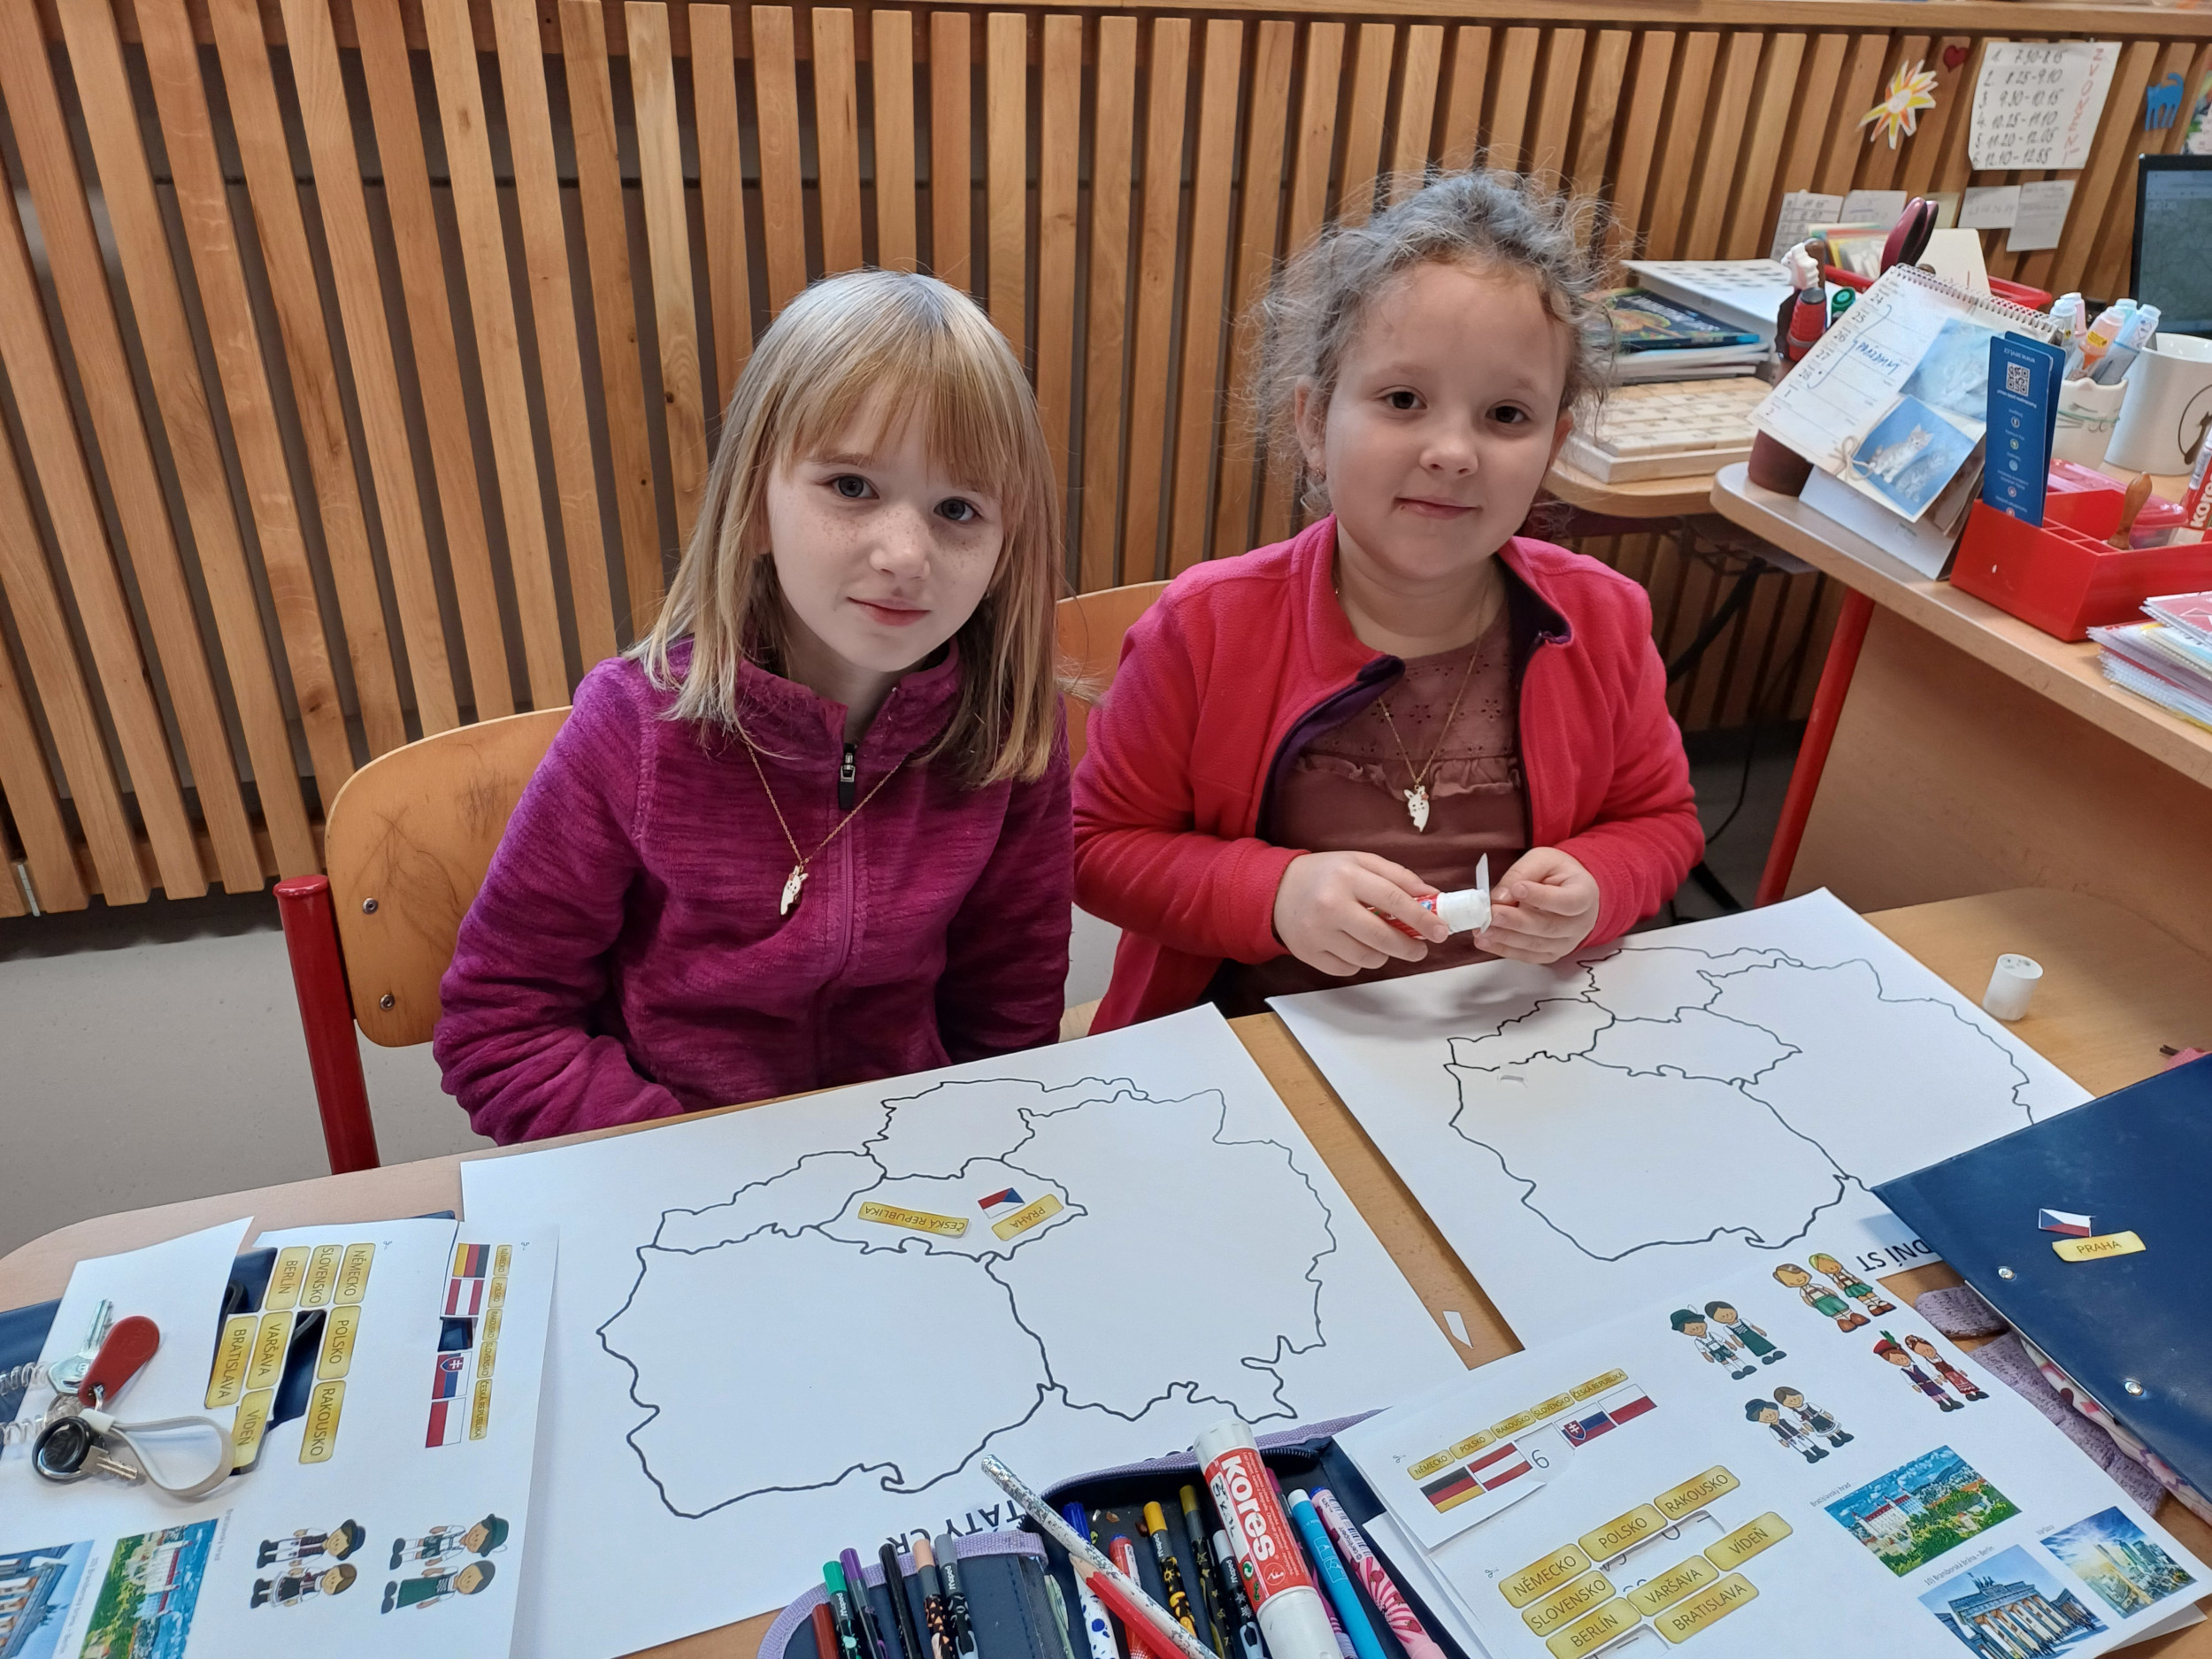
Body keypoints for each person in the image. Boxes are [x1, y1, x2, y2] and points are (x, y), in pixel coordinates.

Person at [436, 272, 1071, 1142]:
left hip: (898, 1167)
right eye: (851, 486)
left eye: (957, 508)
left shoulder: (1010, 735)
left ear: (1006, 544)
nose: (905, 554)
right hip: (672, 1164)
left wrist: (956, 1153)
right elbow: (499, 1026)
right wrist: (691, 1161)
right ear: (755, 506)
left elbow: (1008, 1025)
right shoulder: (631, 728)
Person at [1072, 171, 1701, 1024]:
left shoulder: (1605, 619)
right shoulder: (1204, 628)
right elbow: (1097, 846)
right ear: (1313, 422)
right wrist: (1273, 892)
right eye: (1403, 399)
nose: (1453, 452)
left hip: (1517, 1034)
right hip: (1262, 1043)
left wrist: (1601, 882)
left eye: (1506, 415)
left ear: (1553, 446)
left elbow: (1661, 821)